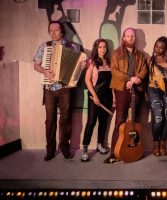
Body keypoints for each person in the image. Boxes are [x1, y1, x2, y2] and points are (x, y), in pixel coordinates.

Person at [33, 21, 81, 161]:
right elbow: (36, 65)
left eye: (56, 30)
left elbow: (78, 66)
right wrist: (44, 71)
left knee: (65, 120)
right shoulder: (45, 46)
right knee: (50, 120)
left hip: (65, 89)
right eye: (50, 30)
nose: (53, 33)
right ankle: (50, 150)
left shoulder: (73, 46)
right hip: (49, 89)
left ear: (62, 31)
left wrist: (80, 67)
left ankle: (65, 148)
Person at [104, 27, 147, 163]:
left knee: (136, 120)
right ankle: (114, 153)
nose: (130, 38)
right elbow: (114, 70)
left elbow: (144, 69)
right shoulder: (117, 53)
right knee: (120, 120)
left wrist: (136, 79)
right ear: (123, 38)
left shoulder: (140, 55)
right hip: (121, 88)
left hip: (137, 88)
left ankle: (134, 148)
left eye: (133, 36)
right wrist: (129, 79)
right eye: (128, 36)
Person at [81, 39, 113, 162]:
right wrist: (95, 96)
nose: (102, 49)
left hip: (107, 97)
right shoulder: (92, 61)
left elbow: (111, 83)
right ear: (96, 48)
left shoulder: (109, 62)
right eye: (100, 47)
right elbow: (87, 80)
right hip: (94, 96)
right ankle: (85, 148)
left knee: (103, 122)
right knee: (91, 122)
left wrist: (113, 98)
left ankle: (100, 144)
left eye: (104, 47)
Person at [147, 36, 167, 156]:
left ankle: (163, 143)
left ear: (165, 49)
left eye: (161, 47)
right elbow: (146, 78)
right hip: (153, 91)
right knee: (158, 118)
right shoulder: (150, 60)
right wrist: (145, 93)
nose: (158, 49)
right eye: (156, 46)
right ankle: (155, 143)